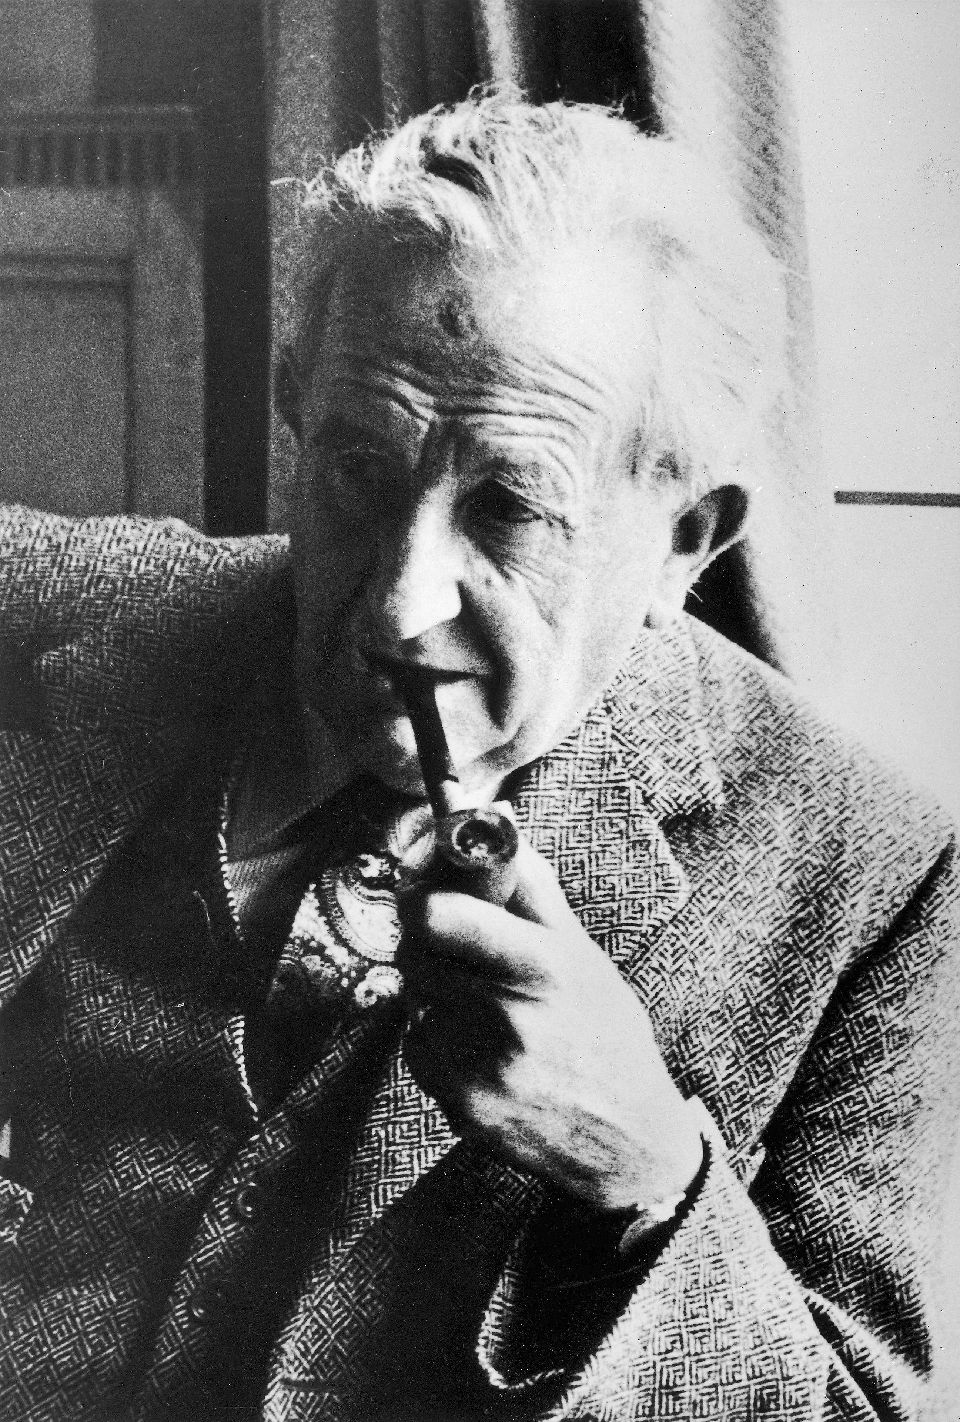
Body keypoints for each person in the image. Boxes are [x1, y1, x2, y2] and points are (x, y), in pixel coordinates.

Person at [1, 90, 958, 1422]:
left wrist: (645, 1178)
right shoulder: (40, 616)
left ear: (686, 541)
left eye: (510, 507)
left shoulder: (876, 888)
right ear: (295, 408)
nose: (402, 602)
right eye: (359, 469)